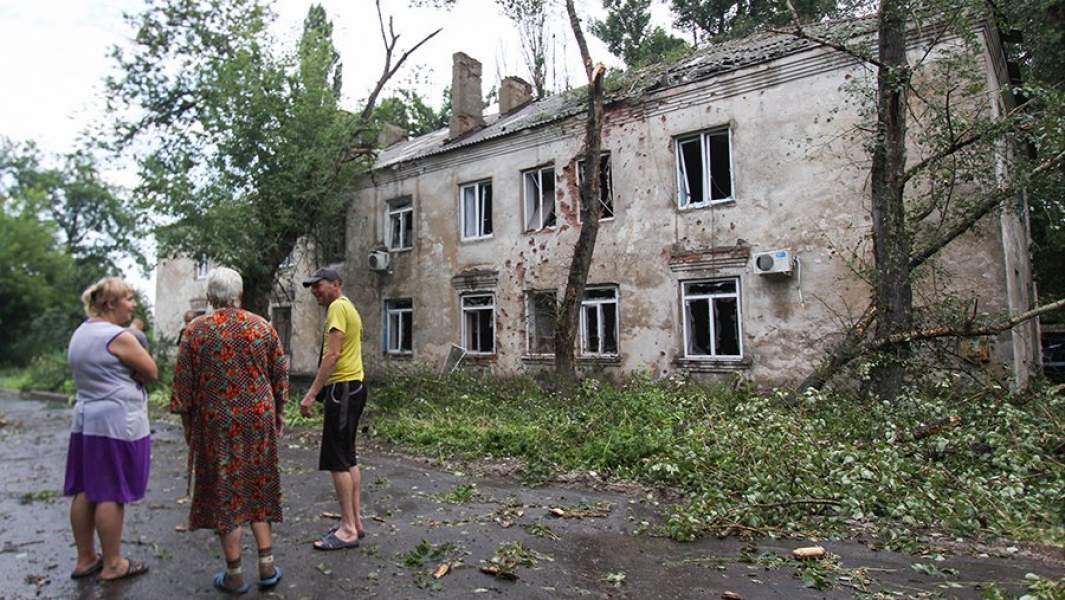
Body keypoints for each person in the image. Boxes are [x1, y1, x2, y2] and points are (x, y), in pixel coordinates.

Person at [170, 267, 289, 594]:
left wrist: (188, 429)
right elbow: (280, 374)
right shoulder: (262, 327)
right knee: (257, 481)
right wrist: (278, 413)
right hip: (257, 418)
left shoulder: (195, 331)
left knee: (226, 490)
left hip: (216, 422)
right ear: (239, 295)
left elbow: (183, 389)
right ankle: (266, 566)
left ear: (210, 297)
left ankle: (234, 573)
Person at [64, 277, 157, 582]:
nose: (133, 305)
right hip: (116, 422)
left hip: (86, 419)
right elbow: (151, 372)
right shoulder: (120, 337)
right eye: (129, 299)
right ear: (110, 303)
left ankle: (85, 558)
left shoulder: (81, 332)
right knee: (110, 491)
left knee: (85, 489)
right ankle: (114, 563)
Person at [299, 267, 368, 551]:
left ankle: (348, 529)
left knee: (337, 459)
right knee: (348, 457)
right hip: (354, 388)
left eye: (319, 285)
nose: (315, 290)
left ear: (336, 284)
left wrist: (311, 394)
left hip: (343, 390)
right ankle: (355, 522)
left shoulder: (338, 308)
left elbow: (333, 354)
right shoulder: (348, 306)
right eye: (312, 286)